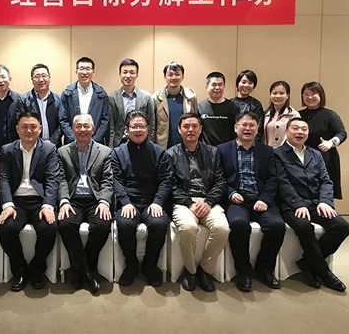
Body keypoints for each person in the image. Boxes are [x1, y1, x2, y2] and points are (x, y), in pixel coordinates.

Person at [275, 118, 349, 292]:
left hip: (316, 203)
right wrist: (298, 204)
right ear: (286, 131)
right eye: (295, 128)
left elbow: (326, 180)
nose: (300, 132)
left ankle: (308, 262)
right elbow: (283, 183)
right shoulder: (277, 154)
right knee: (303, 226)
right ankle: (324, 272)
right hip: (291, 204)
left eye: (304, 129)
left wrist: (325, 201)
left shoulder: (315, 154)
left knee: (342, 227)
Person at [218, 112, 285, 292]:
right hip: (237, 201)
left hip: (261, 198)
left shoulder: (267, 151)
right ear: (236, 127)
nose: (247, 128)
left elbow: (273, 179)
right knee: (239, 225)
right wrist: (231, 193)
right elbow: (218, 178)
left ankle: (264, 268)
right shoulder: (222, 150)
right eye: (244, 125)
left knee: (277, 226)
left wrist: (264, 199)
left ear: (257, 129)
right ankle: (243, 271)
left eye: (252, 125)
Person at [0, 112, 59, 291]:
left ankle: (37, 269)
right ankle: (20, 270)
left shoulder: (49, 149)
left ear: (40, 129)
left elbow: (52, 179)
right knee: (6, 228)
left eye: (33, 127)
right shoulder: (7, 150)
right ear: (17, 129)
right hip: (17, 202)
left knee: (49, 228)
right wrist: (7, 205)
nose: (28, 130)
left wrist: (48, 205)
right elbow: (3, 179)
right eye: (24, 127)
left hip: (40, 201)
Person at [167, 113, 229, 292]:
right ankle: (190, 271)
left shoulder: (213, 152)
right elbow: (170, 185)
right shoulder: (170, 154)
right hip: (183, 202)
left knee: (222, 229)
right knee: (187, 228)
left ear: (201, 129)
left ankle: (205, 270)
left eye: (194, 126)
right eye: (186, 126)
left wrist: (208, 201)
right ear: (179, 130)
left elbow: (220, 182)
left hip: (208, 200)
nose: (190, 130)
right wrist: (189, 203)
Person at [112, 110, 172, 287]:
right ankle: (131, 265)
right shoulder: (117, 153)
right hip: (128, 201)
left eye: (141, 126)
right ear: (127, 129)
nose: (138, 130)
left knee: (159, 224)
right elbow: (115, 180)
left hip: (151, 201)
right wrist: (125, 202)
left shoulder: (159, 152)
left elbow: (166, 180)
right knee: (125, 224)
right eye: (134, 126)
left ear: (148, 128)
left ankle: (149, 265)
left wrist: (158, 201)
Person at [57, 114, 113, 294]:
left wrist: (104, 201)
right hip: (72, 199)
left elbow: (107, 180)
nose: (82, 129)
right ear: (73, 130)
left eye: (86, 126)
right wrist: (64, 201)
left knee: (103, 225)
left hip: (95, 199)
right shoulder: (62, 152)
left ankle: (82, 269)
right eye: (79, 126)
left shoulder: (105, 151)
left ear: (93, 129)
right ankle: (86, 271)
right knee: (65, 224)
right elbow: (61, 179)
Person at [300, 81, 347, 199]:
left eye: (313, 94)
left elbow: (342, 133)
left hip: (324, 158)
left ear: (321, 95)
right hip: (302, 158)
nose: (309, 97)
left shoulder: (330, 115)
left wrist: (331, 143)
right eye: (306, 94)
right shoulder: (298, 115)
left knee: (324, 194)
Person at [60, 57, 110, 145]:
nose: (84, 72)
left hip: (96, 144)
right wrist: (74, 140)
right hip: (72, 144)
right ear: (76, 71)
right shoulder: (67, 94)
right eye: (81, 69)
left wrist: (94, 141)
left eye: (88, 69)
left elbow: (105, 121)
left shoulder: (101, 94)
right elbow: (63, 120)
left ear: (93, 72)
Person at [108, 58, 155, 148]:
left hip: (141, 142)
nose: (128, 75)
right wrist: (111, 148)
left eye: (132, 72)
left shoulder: (146, 97)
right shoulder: (112, 98)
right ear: (120, 74)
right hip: (119, 144)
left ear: (137, 75)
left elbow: (151, 126)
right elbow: (111, 128)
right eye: (125, 72)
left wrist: (150, 146)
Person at [153, 61, 198, 149]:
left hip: (186, 145)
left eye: (177, 74)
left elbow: (196, 120)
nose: (173, 77)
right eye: (170, 74)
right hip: (163, 145)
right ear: (165, 76)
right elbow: (153, 125)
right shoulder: (155, 98)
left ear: (183, 76)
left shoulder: (191, 96)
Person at [17, 63, 62, 147]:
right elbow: (21, 124)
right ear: (32, 79)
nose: (41, 79)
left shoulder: (58, 99)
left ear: (49, 78)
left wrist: (52, 142)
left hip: (54, 146)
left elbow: (61, 123)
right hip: (32, 145)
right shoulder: (23, 100)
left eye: (44, 76)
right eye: (37, 76)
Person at [198, 72, 238, 146]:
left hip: (226, 149)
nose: (217, 88)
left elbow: (236, 131)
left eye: (220, 85)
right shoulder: (200, 106)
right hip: (205, 149)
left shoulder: (232, 106)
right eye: (214, 84)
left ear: (224, 86)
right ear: (206, 86)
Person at [262, 80, 300, 149]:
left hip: (286, 153)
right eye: (274, 93)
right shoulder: (265, 114)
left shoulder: (294, 115)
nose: (278, 96)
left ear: (287, 95)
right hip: (267, 153)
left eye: (281, 93)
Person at [231, 70, 264, 140]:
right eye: (243, 82)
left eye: (250, 83)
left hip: (250, 142)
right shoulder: (229, 103)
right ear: (238, 83)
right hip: (230, 143)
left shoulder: (256, 104)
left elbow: (259, 129)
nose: (246, 85)